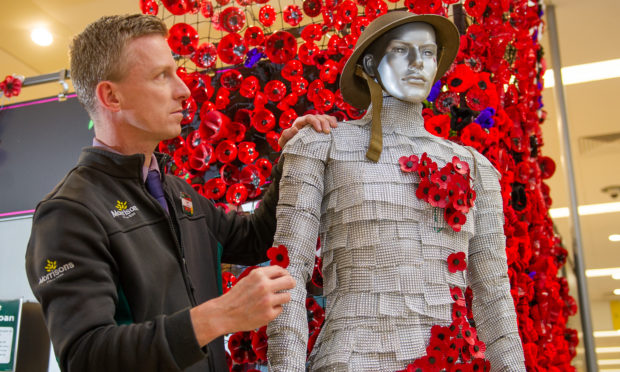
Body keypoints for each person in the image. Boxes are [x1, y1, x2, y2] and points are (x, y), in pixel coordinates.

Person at [25, 14, 336, 372]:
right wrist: (218, 317)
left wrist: (290, 162)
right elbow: (86, 355)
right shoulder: (69, 212)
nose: (184, 90)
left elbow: (254, 239)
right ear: (111, 96)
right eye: (162, 76)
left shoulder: (177, 194)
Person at [267, 11, 526, 371]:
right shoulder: (321, 146)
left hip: (453, 360)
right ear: (370, 65)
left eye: (429, 52)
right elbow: (287, 276)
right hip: (353, 359)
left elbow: (493, 293)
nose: (419, 63)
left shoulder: (474, 167)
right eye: (402, 50)